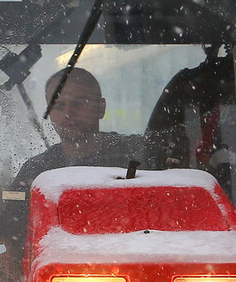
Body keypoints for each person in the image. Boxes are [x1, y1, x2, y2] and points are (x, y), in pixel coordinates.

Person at [10, 67, 145, 191]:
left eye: (80, 103)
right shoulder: (36, 170)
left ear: (101, 108)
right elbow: (14, 215)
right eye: (59, 106)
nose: (69, 112)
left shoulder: (136, 153)